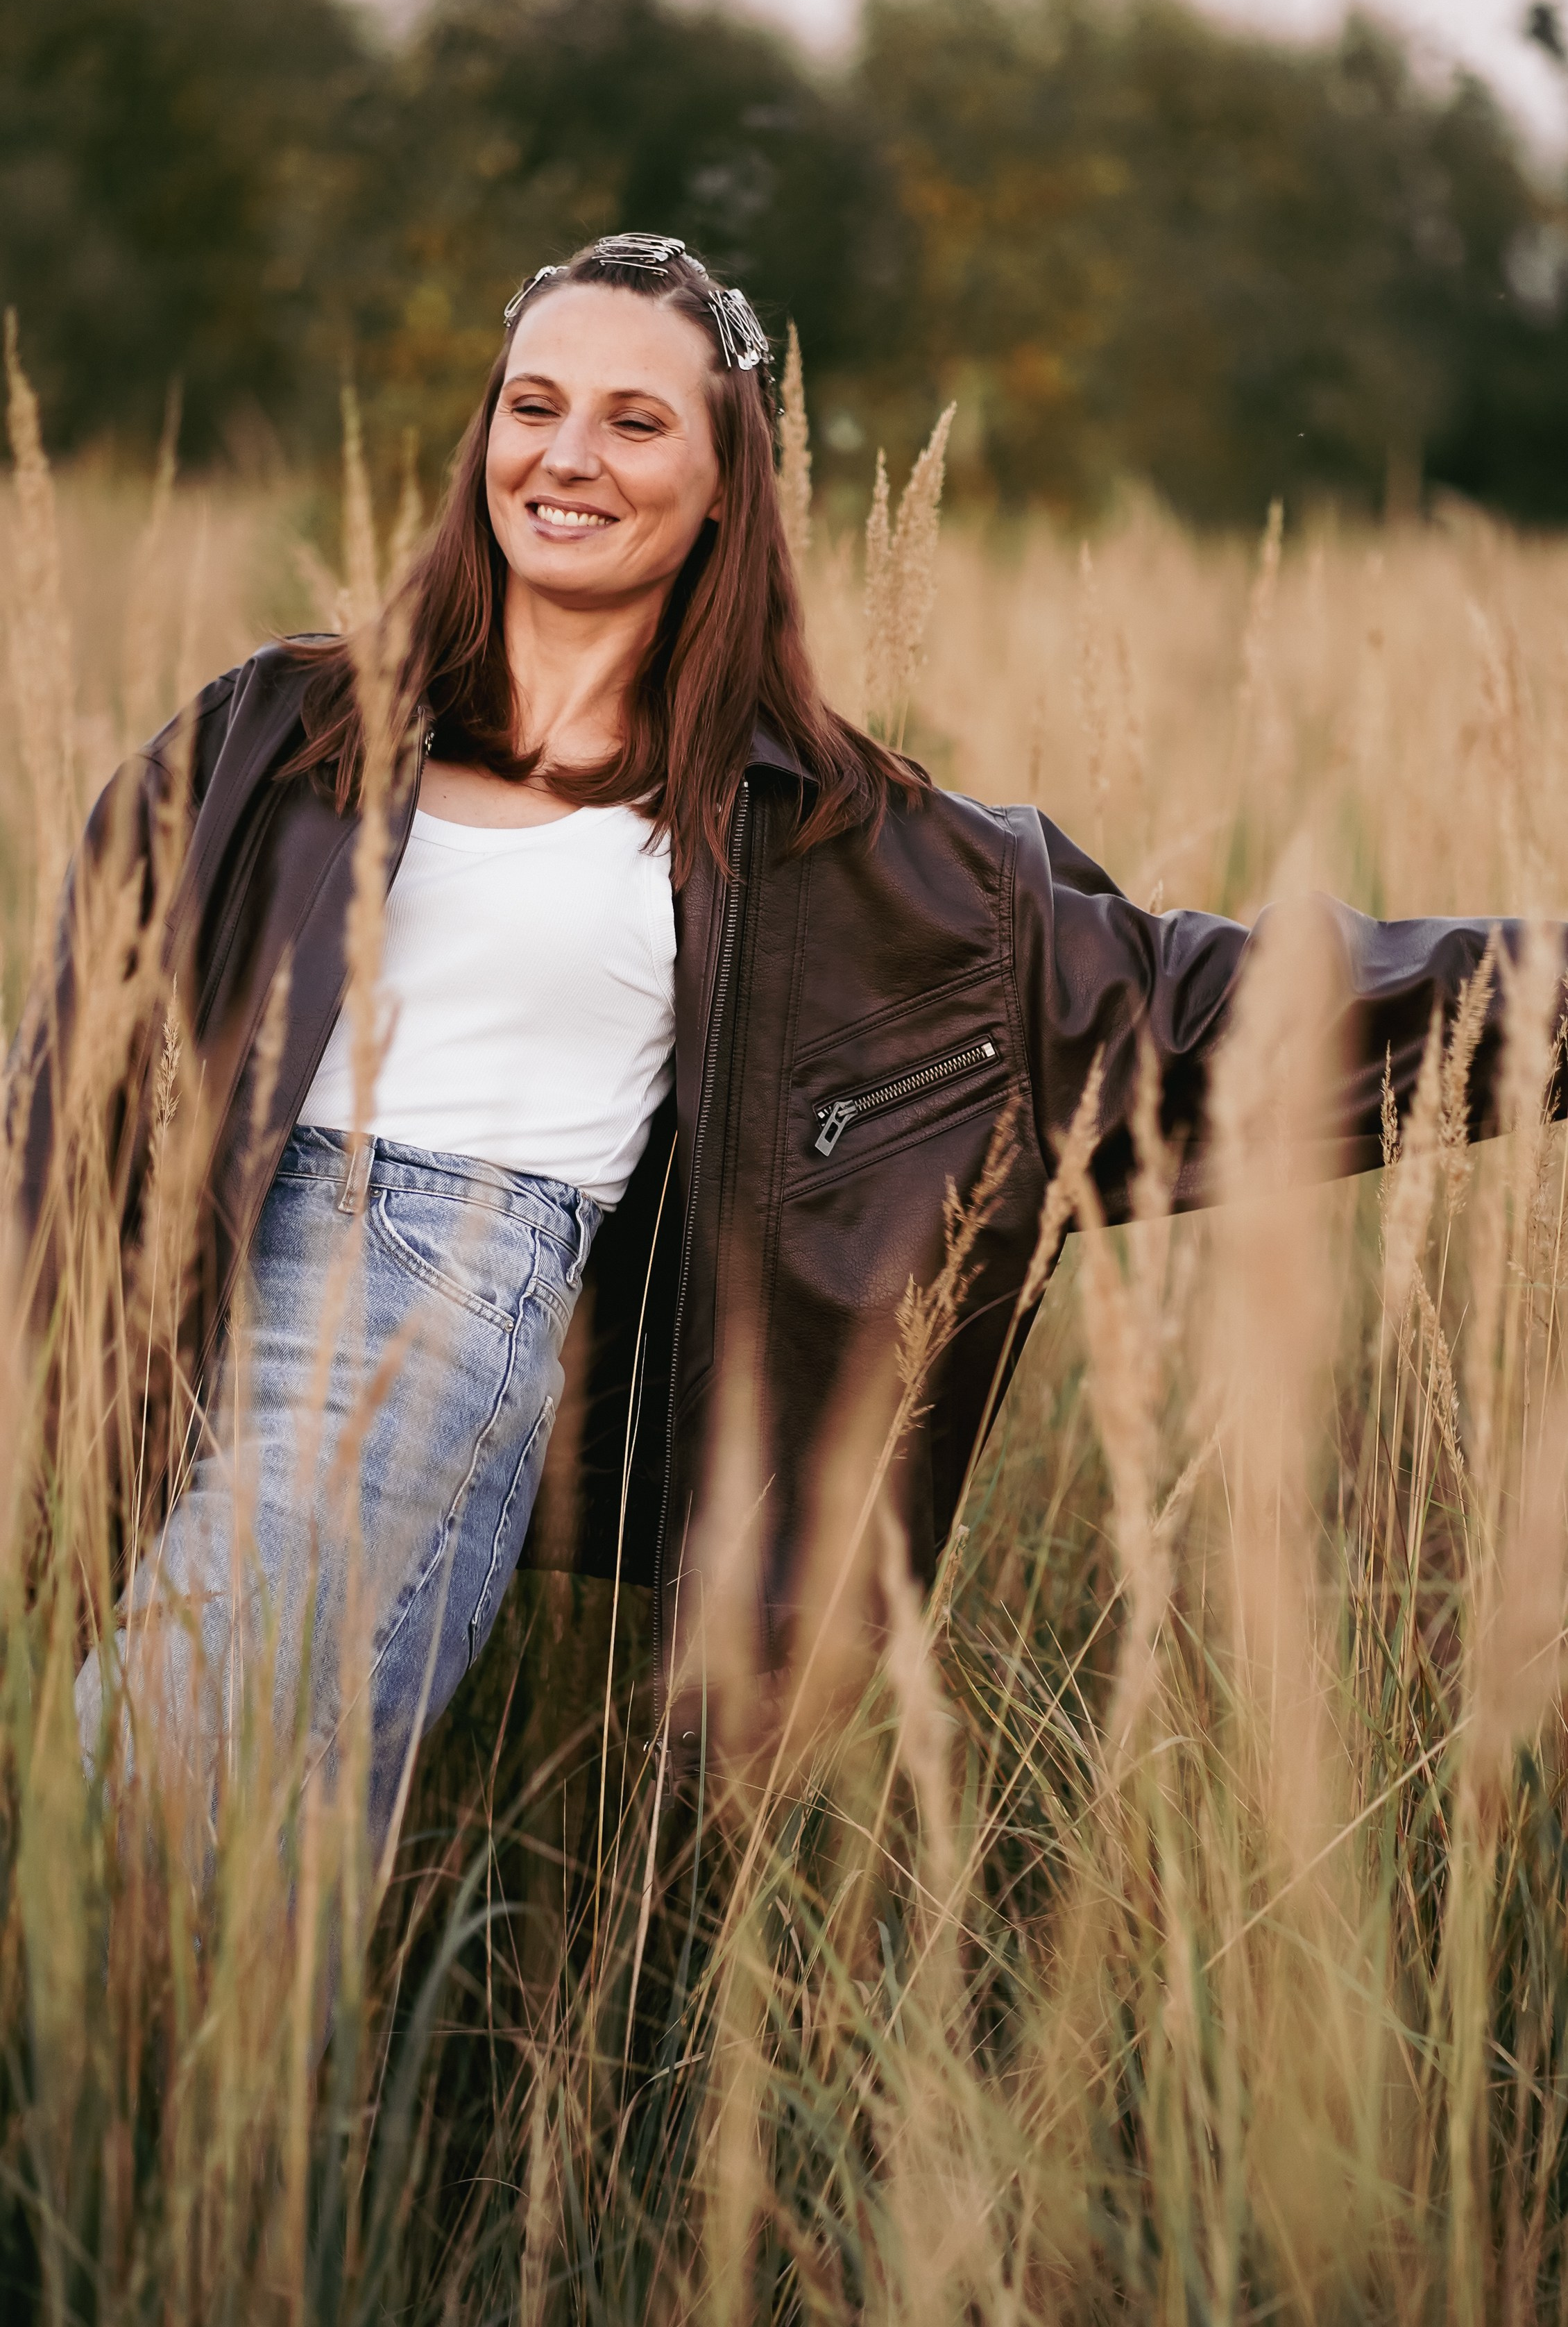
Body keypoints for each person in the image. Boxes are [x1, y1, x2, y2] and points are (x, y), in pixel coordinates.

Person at [11, 231, 1561, 1854]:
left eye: (632, 421)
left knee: (149, 1780)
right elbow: (67, 1060)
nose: (565, 455)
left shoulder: (834, 841)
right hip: (156, 1297)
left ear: (726, 485)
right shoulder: (280, 727)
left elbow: (1203, 1009)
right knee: (231, 1878)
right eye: (531, 405)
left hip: (428, 1307)